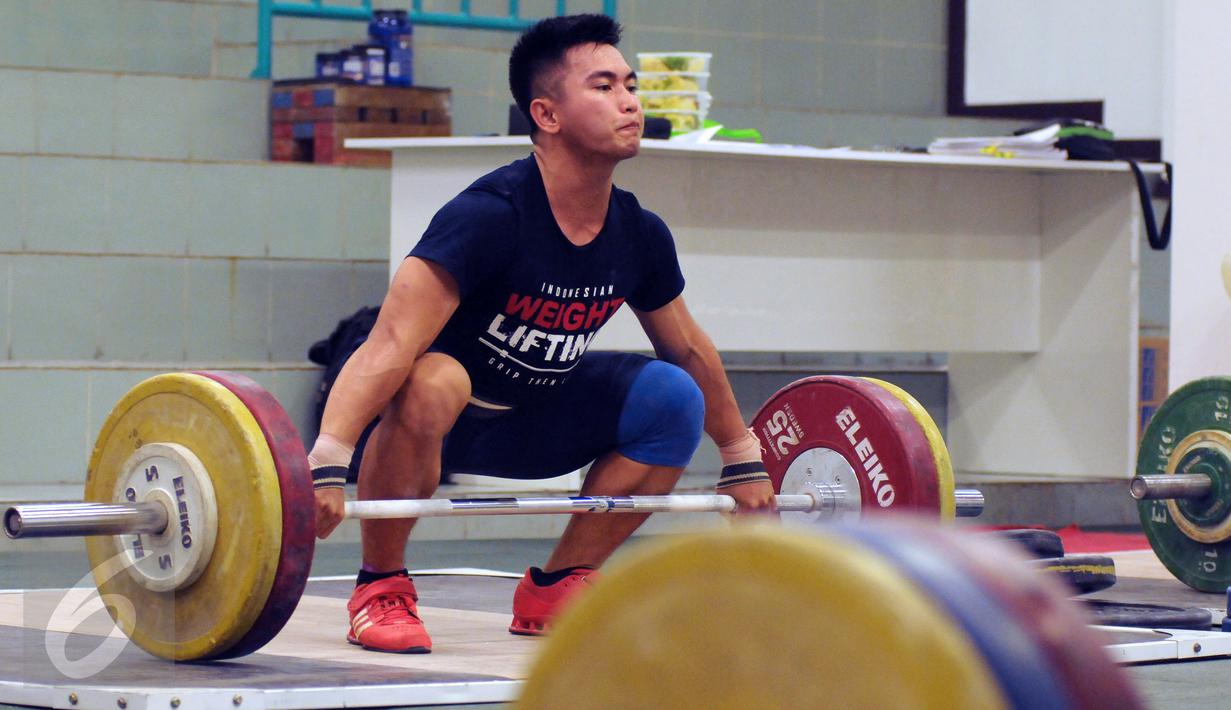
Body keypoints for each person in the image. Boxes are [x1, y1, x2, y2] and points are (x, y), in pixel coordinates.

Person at [308, 13, 776, 654]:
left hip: (541, 418)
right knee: (432, 375)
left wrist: (741, 456)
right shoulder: (487, 216)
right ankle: (381, 585)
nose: (630, 102)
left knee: (672, 395)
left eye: (631, 86)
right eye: (605, 86)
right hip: (444, 424)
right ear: (547, 115)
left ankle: (557, 584)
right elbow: (389, 342)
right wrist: (327, 462)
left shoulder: (639, 232)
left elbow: (686, 346)